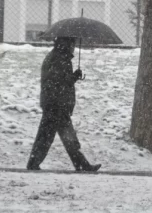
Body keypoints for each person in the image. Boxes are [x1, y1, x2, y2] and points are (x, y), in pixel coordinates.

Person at [27, 36, 101, 172]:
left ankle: (81, 164)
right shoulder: (60, 59)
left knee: (52, 136)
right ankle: (81, 165)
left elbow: (58, 81)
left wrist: (73, 77)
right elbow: (59, 82)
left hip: (54, 103)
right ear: (66, 44)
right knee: (60, 136)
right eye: (72, 43)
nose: (74, 46)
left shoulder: (57, 57)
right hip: (56, 105)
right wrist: (74, 77)